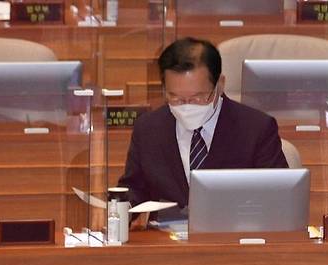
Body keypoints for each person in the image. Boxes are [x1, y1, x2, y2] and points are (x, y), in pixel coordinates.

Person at [118, 37, 288, 216]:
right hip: (167, 239)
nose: (186, 105)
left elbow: (279, 196)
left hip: (234, 237)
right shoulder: (148, 129)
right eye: (175, 97)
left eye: (198, 97)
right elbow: (134, 188)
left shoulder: (256, 129)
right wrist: (122, 207)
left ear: (220, 85)